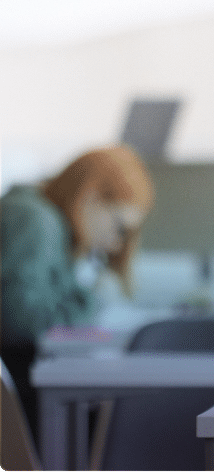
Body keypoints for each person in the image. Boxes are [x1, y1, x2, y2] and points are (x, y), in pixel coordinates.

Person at [1, 145, 154, 437]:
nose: (117, 244)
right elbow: (20, 322)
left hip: (24, 393)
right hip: (22, 401)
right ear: (91, 198)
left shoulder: (42, 219)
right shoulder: (36, 220)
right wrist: (88, 299)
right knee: (132, 424)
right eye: (119, 227)